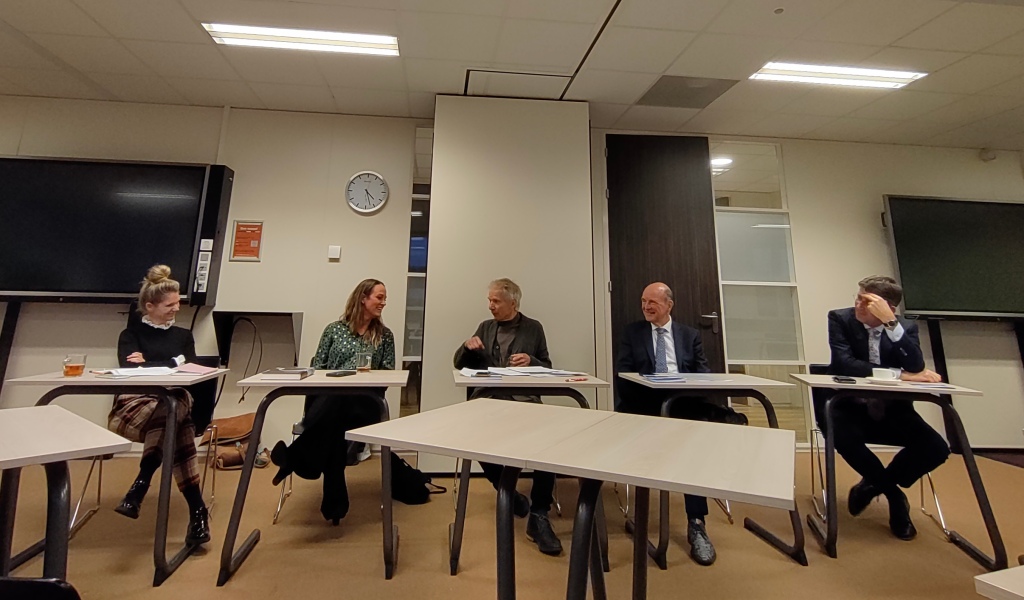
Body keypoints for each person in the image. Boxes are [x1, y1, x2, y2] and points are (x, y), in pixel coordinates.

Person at [826, 275, 947, 541]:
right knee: (843, 436)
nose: (857, 304)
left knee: (937, 448)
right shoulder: (840, 319)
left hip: (893, 410)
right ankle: (895, 496)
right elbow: (845, 364)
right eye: (858, 298)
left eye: (866, 301)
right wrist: (902, 375)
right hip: (849, 407)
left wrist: (891, 324)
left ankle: (873, 485)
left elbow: (916, 365)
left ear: (887, 308)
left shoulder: (904, 327)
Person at [270, 279, 395, 524]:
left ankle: (296, 457)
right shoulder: (334, 330)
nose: (383, 303)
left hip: (365, 404)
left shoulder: (384, 336)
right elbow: (317, 369)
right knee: (335, 422)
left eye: (384, 298)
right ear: (363, 298)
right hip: (328, 403)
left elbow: (389, 374)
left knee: (339, 407)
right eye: (379, 297)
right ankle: (334, 506)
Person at [453, 278, 562, 556]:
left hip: (525, 401)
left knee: (548, 443)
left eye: (496, 301)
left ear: (513, 303)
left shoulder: (533, 328)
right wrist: (467, 346)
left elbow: (548, 366)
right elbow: (459, 363)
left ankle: (539, 515)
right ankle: (507, 491)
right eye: (489, 300)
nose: (490, 306)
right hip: (489, 400)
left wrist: (531, 361)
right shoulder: (485, 327)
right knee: (472, 439)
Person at [614, 282, 717, 566]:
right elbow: (623, 375)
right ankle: (642, 518)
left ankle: (697, 524)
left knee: (692, 451)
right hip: (644, 406)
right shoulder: (632, 333)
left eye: (653, 302)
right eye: (643, 301)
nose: (646, 307)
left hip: (682, 405)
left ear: (669, 305)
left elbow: (703, 373)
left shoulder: (689, 335)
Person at [109, 265, 209, 546]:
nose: (176, 309)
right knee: (178, 421)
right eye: (169, 305)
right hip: (136, 404)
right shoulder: (130, 335)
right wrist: (172, 362)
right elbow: (131, 370)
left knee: (175, 404)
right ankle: (198, 511)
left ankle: (140, 486)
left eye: (178, 303)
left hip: (174, 399)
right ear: (150, 306)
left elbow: (190, 370)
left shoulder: (183, 336)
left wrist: (151, 363)